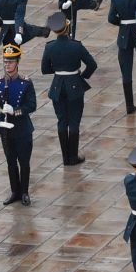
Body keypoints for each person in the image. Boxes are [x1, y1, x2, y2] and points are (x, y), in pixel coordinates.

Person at [40, 10, 97, 166]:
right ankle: (73, 157)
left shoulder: (50, 47)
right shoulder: (76, 46)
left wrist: (60, 72)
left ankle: (65, 158)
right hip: (74, 85)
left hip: (58, 85)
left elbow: (45, 69)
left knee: (61, 121)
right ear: (67, 27)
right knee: (74, 122)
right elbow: (92, 65)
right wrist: (82, 76)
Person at [0, 44, 38, 206]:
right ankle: (15, 191)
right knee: (10, 161)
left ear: (17, 62)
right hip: (5, 128)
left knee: (24, 162)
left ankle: (25, 192)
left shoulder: (26, 83)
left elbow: (32, 105)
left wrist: (15, 111)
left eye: (11, 62)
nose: (7, 65)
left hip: (22, 128)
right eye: (5, 62)